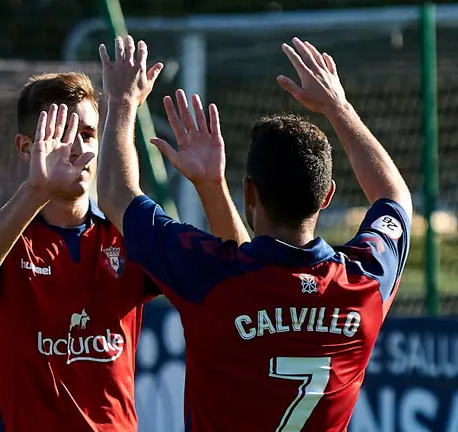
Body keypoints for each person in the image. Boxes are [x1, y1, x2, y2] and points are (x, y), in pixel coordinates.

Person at [97, 35, 412, 432]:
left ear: (249, 192)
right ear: (327, 196)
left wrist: (122, 100)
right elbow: (394, 196)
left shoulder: (209, 273)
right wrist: (339, 107)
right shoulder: (365, 283)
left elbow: (115, 194)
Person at [0, 72, 248, 431]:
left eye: (87, 134)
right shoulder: (0, 234)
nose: (77, 149)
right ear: (25, 147)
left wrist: (213, 186)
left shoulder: (128, 236)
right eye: (61, 135)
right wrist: (36, 191)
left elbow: (240, 279)